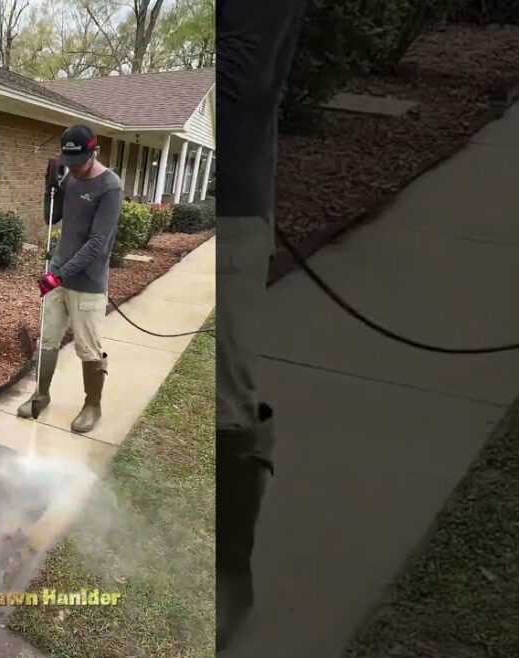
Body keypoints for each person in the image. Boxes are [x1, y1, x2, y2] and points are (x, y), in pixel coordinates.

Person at [217, 0, 309, 651]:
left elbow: (239, 82)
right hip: (212, 210)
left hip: (231, 212)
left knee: (222, 402)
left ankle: (225, 575)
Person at [17, 124, 123, 435]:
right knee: (48, 339)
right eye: (70, 162)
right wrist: (50, 186)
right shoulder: (70, 179)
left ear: (95, 151)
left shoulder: (110, 187)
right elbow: (52, 218)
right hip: (58, 277)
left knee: (88, 348)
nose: (75, 168)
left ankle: (93, 405)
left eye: (81, 163)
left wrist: (59, 275)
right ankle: (41, 394)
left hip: (87, 283)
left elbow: (97, 243)